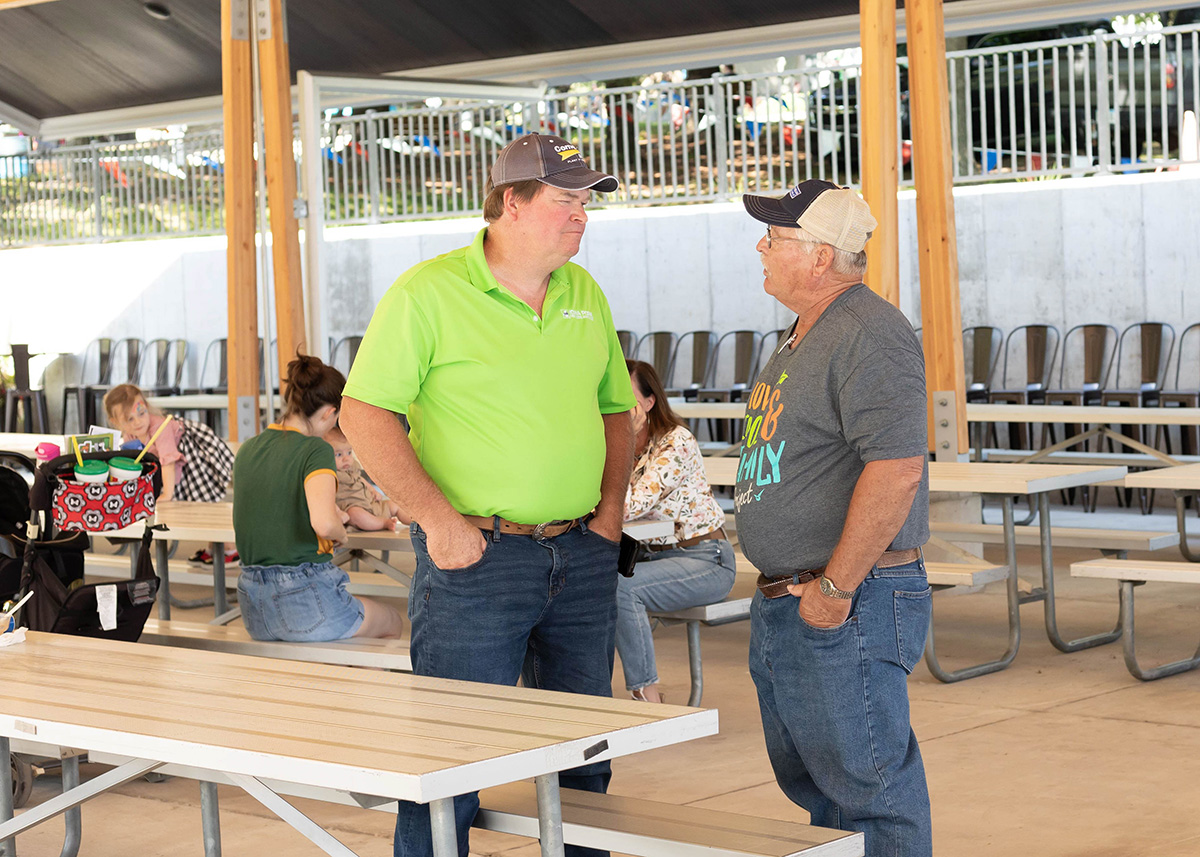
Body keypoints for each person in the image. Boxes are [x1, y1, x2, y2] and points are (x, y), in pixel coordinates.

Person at [340, 132, 635, 857]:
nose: (581, 216)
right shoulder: (428, 292)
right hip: (476, 560)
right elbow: (364, 413)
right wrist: (438, 521)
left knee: (582, 755)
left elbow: (615, 411)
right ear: (511, 201)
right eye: (565, 200)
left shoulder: (583, 293)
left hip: (581, 554)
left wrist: (608, 515)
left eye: (586, 202)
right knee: (453, 757)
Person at [737, 180, 932, 857]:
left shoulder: (869, 333)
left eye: (776, 236)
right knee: (824, 788)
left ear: (820, 256)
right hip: (800, 593)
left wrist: (835, 590)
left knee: (868, 790)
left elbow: (897, 468)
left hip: (846, 598)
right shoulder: (806, 331)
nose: (761, 245)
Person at [232, 355, 405, 642]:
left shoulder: (249, 448)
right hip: (303, 599)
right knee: (391, 621)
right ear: (328, 413)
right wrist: (341, 533)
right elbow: (324, 525)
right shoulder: (315, 450)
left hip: (252, 604)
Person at [619, 359, 735, 703]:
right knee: (586, 584)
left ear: (649, 401)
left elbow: (627, 507)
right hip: (657, 559)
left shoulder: (676, 441)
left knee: (621, 589)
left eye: (626, 397)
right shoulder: (627, 444)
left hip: (707, 560)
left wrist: (621, 441)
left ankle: (647, 696)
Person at [104, 383, 238, 563]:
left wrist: (167, 493)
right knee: (193, 505)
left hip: (193, 462)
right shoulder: (129, 435)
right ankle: (214, 548)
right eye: (129, 419)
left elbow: (168, 461)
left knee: (203, 504)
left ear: (146, 406)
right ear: (115, 422)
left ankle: (229, 549)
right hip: (173, 470)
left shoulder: (160, 428)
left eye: (141, 413)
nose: (138, 422)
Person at [324, 425, 406, 532]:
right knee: (355, 515)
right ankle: (383, 523)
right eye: (338, 454)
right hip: (353, 507)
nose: (346, 459)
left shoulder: (352, 468)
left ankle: (417, 522)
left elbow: (360, 479)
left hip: (371, 504)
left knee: (394, 505)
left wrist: (373, 490)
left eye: (349, 452)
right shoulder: (329, 474)